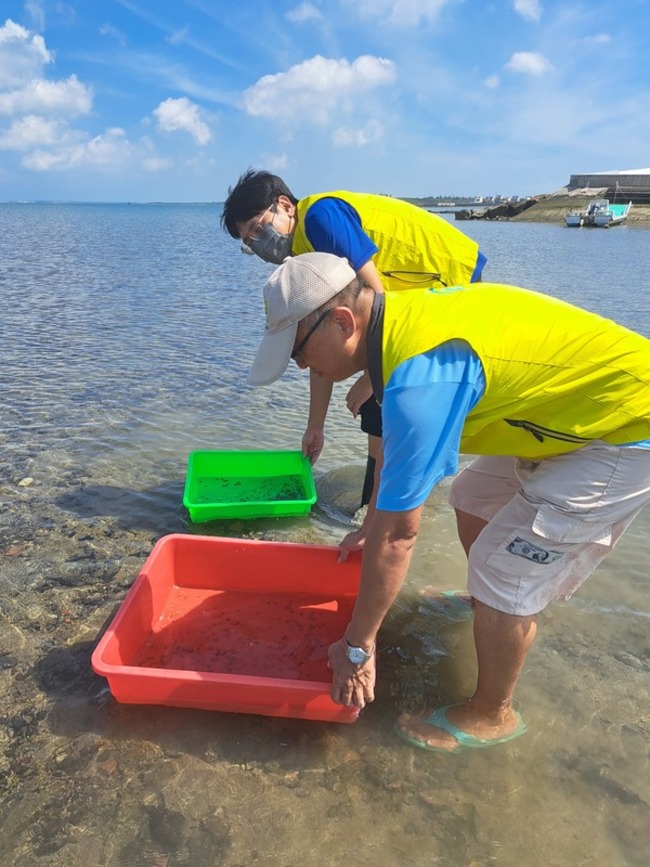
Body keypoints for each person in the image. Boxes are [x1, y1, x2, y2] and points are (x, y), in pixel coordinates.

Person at [244, 251, 650, 753]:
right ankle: (488, 607)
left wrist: (356, 647)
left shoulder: (421, 380)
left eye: (298, 352)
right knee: (472, 497)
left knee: (504, 569)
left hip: (625, 427)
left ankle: (493, 713)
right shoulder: (397, 323)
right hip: (564, 410)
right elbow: (395, 471)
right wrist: (372, 522)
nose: (302, 365)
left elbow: (400, 536)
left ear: (343, 321)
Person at [221, 169, 487, 507]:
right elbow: (317, 346)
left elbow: (379, 299)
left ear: (285, 205)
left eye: (258, 228)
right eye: (249, 242)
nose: (259, 244)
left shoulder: (320, 219)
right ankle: (382, 506)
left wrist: (370, 378)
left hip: (454, 279)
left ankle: (382, 511)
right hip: (407, 299)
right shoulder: (303, 257)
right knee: (380, 404)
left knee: (385, 400)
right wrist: (315, 427)